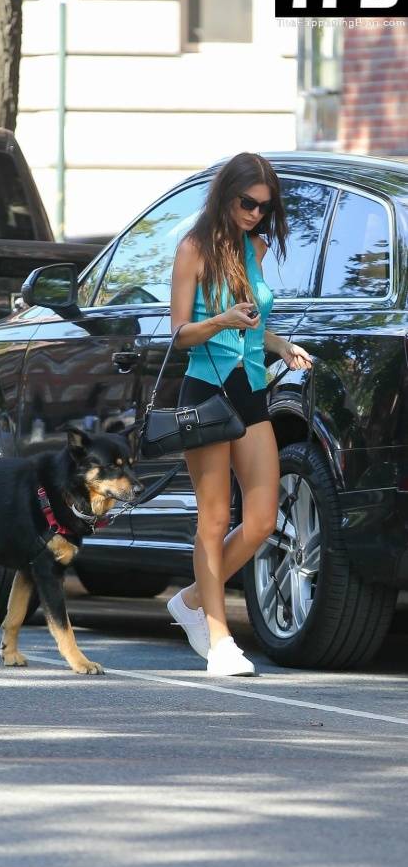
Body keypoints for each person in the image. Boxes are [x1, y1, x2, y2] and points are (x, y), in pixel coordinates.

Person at [167, 151, 312, 677]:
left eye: (263, 208)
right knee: (213, 520)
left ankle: (189, 601)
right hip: (205, 389)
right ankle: (220, 639)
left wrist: (280, 344)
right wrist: (221, 320)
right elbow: (178, 332)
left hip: (249, 391)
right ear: (226, 195)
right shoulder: (193, 249)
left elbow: (254, 321)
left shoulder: (256, 246)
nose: (255, 214)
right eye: (247, 204)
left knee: (261, 521)